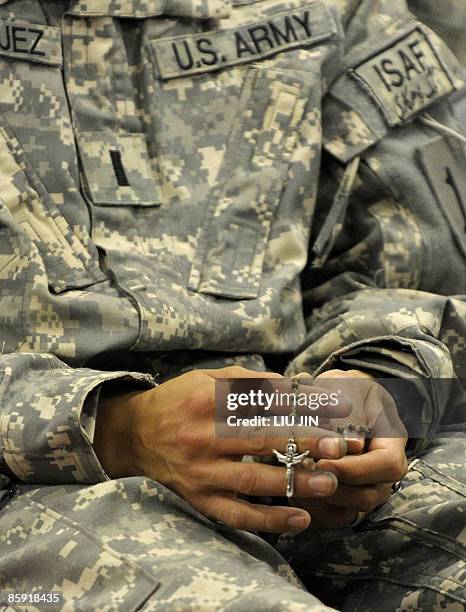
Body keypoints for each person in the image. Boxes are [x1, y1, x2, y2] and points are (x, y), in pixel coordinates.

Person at [0, 0, 465, 609]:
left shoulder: (329, 11)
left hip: (292, 430)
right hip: (31, 480)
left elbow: (423, 277)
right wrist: (113, 427)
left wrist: (374, 388)